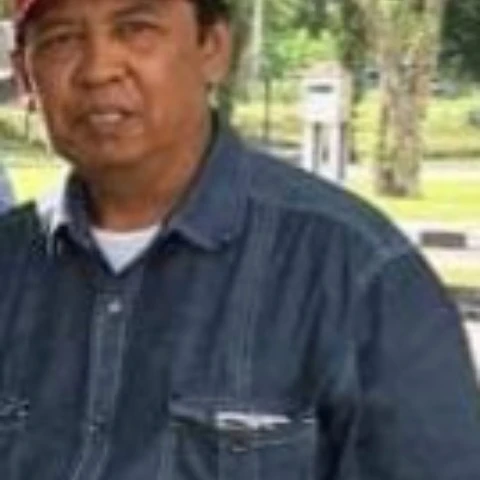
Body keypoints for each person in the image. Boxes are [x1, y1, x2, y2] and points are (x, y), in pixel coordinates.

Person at [0, 0, 478, 479]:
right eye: (62, 39)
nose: (98, 69)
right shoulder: (11, 264)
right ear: (25, 75)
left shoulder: (357, 273)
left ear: (213, 48)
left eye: (136, 29)